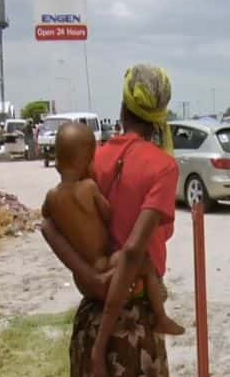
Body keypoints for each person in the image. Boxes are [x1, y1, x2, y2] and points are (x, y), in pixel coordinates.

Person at [41, 64, 182, 377]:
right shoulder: (162, 169)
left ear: (122, 106)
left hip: (89, 323)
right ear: (161, 113)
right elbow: (131, 259)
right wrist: (104, 347)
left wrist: (88, 281)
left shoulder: (88, 159)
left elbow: (47, 225)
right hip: (132, 337)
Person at [41, 120, 185, 352]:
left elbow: (47, 221)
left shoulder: (52, 198)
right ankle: (161, 317)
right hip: (108, 267)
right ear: (89, 161)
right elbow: (109, 216)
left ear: (56, 161)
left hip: (85, 279)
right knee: (145, 264)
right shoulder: (89, 188)